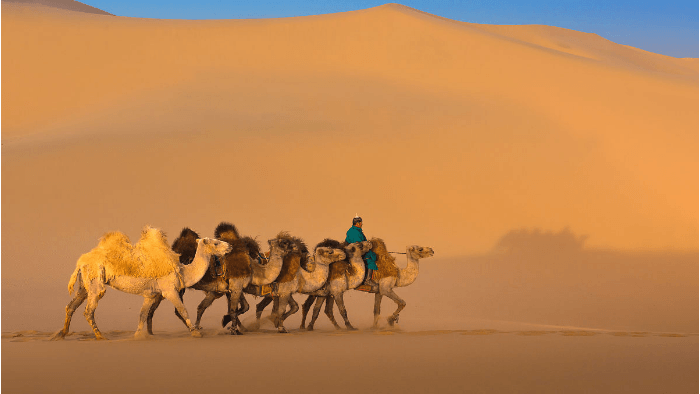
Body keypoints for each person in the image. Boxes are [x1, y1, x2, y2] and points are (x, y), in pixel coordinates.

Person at [345, 215, 378, 286]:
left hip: (353, 250)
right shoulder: (355, 232)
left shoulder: (352, 230)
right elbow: (359, 244)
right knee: (370, 260)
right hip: (357, 252)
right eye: (361, 223)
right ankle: (368, 280)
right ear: (358, 223)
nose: (361, 224)